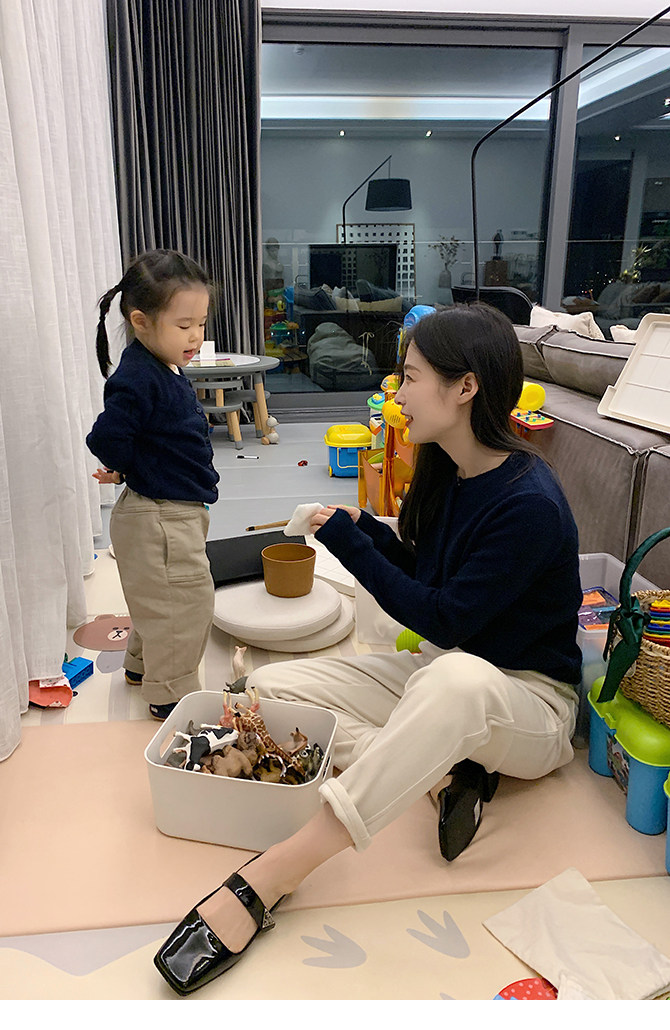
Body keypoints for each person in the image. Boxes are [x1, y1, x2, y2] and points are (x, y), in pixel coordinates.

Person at [153, 303, 583, 995]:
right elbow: (429, 573)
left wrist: (351, 547)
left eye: (410, 376)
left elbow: (444, 618)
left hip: (528, 701)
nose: (398, 392)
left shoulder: (528, 502)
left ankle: (280, 871)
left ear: (465, 387)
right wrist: (367, 531)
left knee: (456, 681)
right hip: (442, 673)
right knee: (270, 689)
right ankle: (442, 772)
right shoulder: (449, 469)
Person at [86, 249, 219, 721]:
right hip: (161, 518)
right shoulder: (139, 376)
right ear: (140, 321)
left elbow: (149, 435)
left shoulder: (160, 365)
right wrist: (124, 463)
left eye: (201, 323)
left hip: (169, 512)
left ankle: (142, 669)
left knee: (158, 598)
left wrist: (130, 466)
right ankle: (170, 698)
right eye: (184, 325)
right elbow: (107, 436)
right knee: (184, 606)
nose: (196, 336)